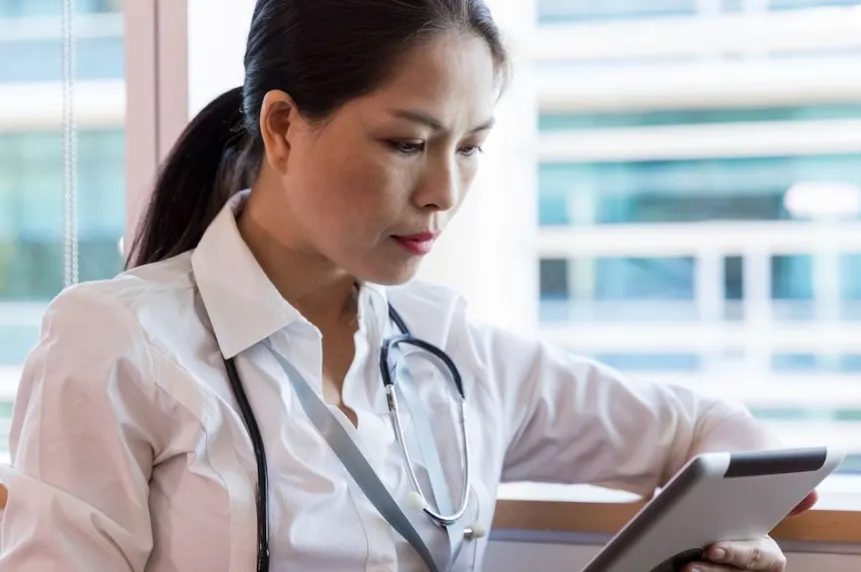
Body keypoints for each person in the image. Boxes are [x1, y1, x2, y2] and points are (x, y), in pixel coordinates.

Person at [0, 0, 816, 570]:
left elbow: (715, 432)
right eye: (405, 143)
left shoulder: (452, 351)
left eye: (468, 148)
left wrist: (724, 533)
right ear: (283, 126)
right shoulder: (119, 341)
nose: (443, 192)